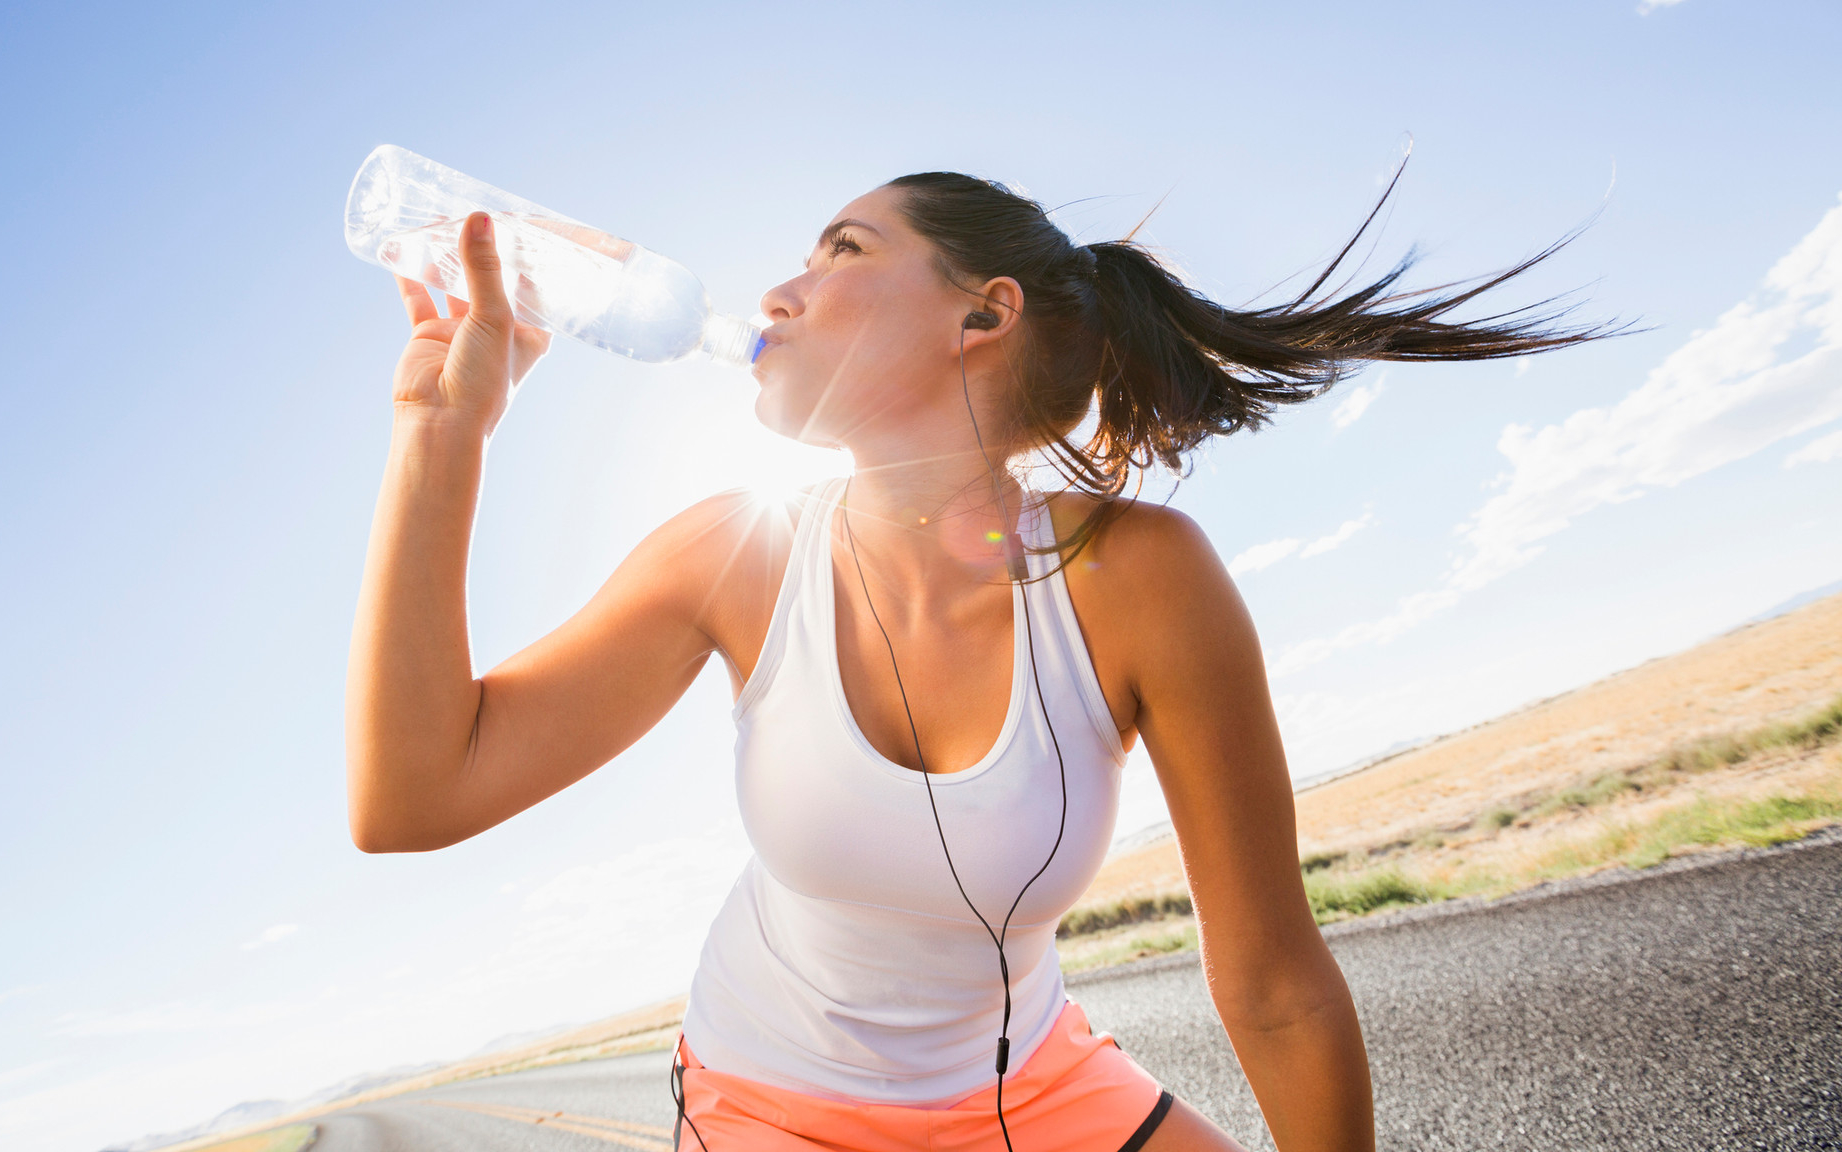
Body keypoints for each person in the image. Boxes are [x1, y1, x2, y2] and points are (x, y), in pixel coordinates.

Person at [346, 169, 1614, 1151]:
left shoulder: (1141, 578)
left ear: (982, 314)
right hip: (775, 1107)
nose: (781, 290)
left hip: (1032, 1086)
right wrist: (439, 431)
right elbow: (414, 798)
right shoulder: (730, 559)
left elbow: (1276, 982)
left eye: (841, 250)